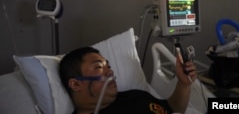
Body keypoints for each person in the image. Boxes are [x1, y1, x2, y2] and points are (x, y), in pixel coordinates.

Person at [59, 46, 197, 114]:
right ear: (76, 83)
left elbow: (173, 109)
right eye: (99, 67)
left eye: (109, 66)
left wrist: (184, 84)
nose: (110, 71)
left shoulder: (135, 96)